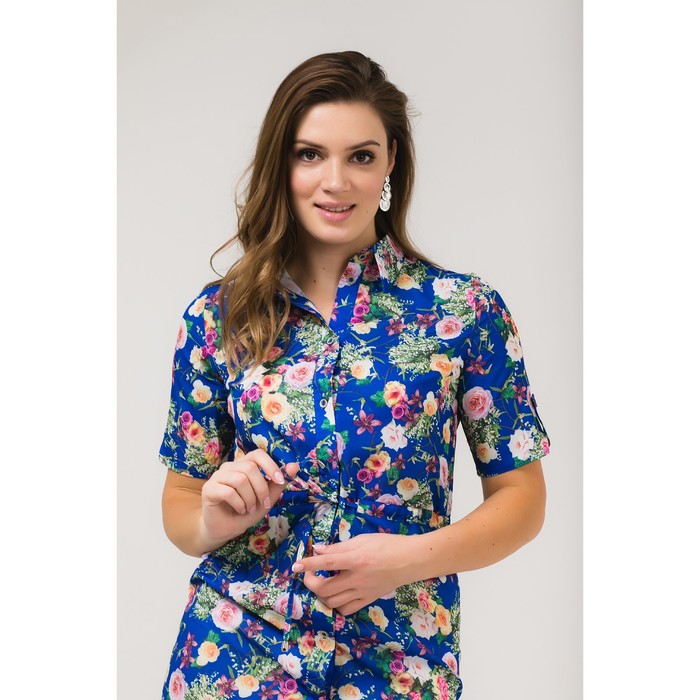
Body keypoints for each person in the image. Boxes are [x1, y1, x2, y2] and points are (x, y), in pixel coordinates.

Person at [159, 50, 550, 700]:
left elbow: (523, 501)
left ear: (391, 161)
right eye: (310, 154)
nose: (335, 181)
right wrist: (213, 520)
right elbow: (180, 503)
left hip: (398, 660)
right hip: (234, 654)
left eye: (360, 156)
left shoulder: (463, 311)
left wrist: (404, 561)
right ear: (281, 162)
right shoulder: (217, 316)